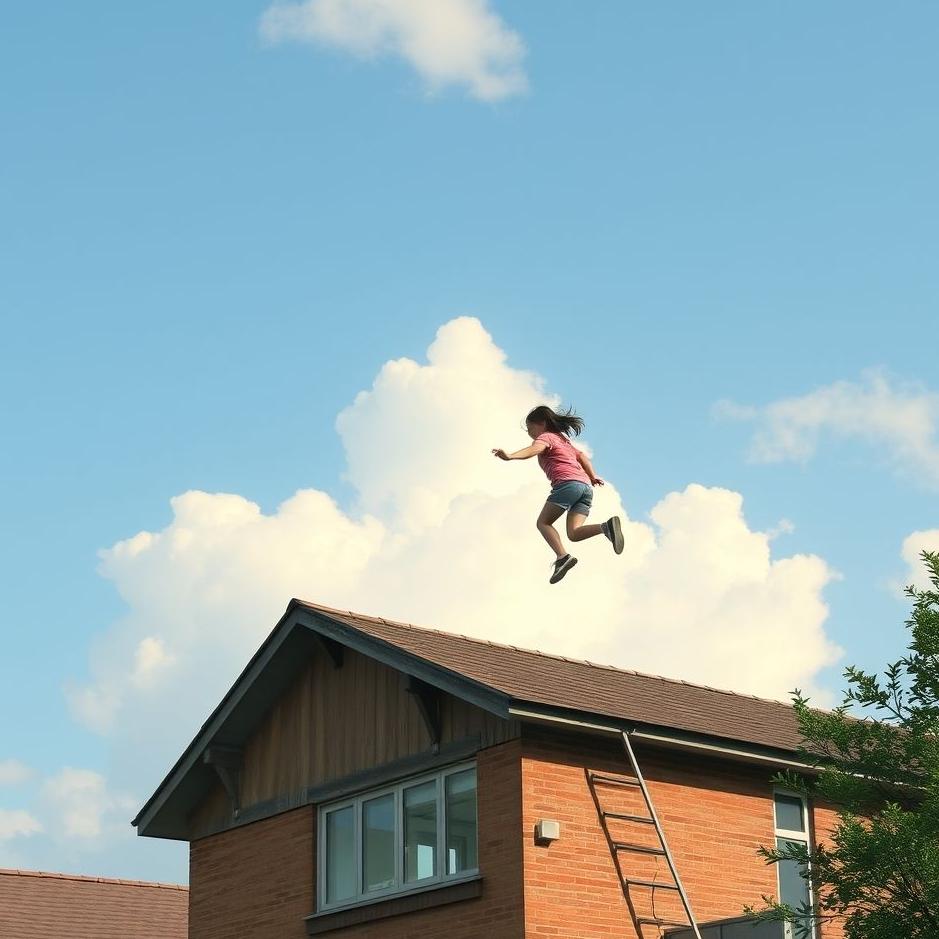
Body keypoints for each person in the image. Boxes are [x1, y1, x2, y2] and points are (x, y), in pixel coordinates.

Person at [492, 404, 624, 583]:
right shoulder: (564, 441)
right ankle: (605, 527)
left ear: (542, 424)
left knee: (543, 523)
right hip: (585, 488)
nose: (530, 433)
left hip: (568, 485)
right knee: (574, 533)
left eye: (530, 428)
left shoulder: (546, 437)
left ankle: (562, 557)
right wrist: (592, 477)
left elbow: (534, 450)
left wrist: (510, 456)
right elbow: (583, 457)